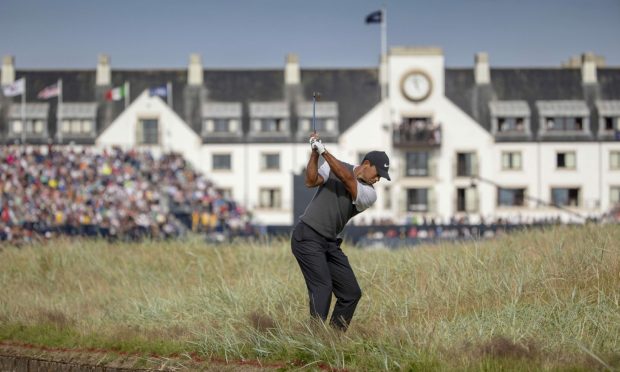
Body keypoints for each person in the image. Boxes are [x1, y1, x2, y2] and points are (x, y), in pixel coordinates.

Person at [291, 134, 391, 331]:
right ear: (367, 163)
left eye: (381, 177)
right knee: (322, 287)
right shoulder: (333, 166)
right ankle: (315, 341)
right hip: (307, 237)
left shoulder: (369, 194)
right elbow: (310, 181)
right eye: (377, 173)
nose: (377, 179)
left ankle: (333, 340)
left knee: (351, 293)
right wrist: (314, 154)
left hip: (329, 243)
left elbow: (347, 179)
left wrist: (324, 151)